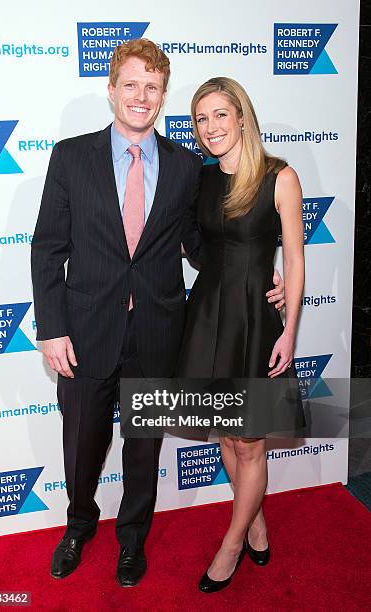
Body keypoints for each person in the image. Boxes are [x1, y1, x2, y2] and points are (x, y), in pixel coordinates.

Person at [31, 40, 285, 588]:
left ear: (162, 95)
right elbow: (47, 247)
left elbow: (201, 242)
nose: (140, 96)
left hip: (158, 331)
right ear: (113, 89)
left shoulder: (186, 165)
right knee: (81, 445)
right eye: (131, 84)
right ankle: (78, 526)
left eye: (152, 87)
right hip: (85, 332)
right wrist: (51, 328)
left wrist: (263, 273)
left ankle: (132, 540)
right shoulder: (71, 156)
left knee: (143, 451)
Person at [176, 77, 305, 593]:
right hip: (208, 317)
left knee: (251, 442)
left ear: (243, 116)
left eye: (221, 115)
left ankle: (230, 546)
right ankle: (253, 520)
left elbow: (294, 260)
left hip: (255, 320)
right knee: (229, 435)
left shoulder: (280, 176)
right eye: (202, 119)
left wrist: (290, 329)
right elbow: (196, 246)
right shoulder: (201, 181)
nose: (211, 128)